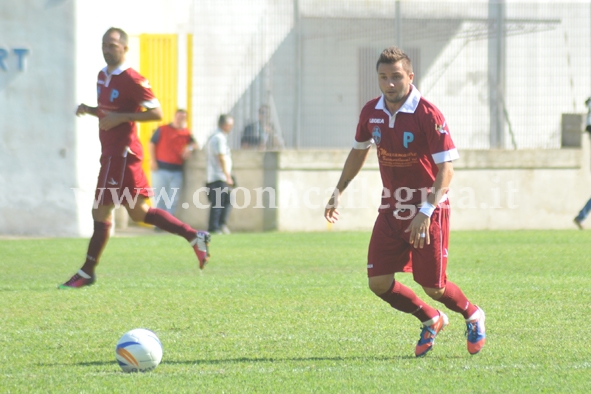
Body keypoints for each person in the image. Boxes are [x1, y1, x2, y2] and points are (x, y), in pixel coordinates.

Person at [324, 46, 486, 357]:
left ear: (410, 77)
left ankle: (473, 314)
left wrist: (426, 210)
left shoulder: (428, 113)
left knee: (434, 287)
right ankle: (430, 318)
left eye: (396, 77)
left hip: (427, 209)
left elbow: (446, 169)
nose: (389, 84)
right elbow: (359, 151)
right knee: (379, 282)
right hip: (391, 208)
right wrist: (338, 190)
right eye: (383, 77)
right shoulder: (371, 112)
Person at [59, 27, 211, 289]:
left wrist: (123, 117)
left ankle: (87, 271)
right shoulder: (102, 76)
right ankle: (195, 236)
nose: (107, 49)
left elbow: (157, 114)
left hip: (121, 155)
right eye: (105, 44)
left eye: (113, 45)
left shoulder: (133, 79)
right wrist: (91, 110)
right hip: (114, 154)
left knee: (101, 211)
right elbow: (110, 111)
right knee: (139, 212)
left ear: (125, 48)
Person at [149, 109, 197, 217]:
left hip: (177, 171)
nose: (180, 120)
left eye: (182, 118)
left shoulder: (187, 133)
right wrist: (153, 160)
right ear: (174, 117)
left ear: (186, 119)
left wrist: (189, 148)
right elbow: (152, 144)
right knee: (159, 198)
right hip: (160, 169)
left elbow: (195, 144)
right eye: (178, 117)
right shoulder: (162, 129)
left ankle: (169, 224)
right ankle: (159, 222)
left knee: (173, 199)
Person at [206, 114, 234, 235]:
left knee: (226, 201)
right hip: (218, 176)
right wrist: (227, 176)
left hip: (218, 176)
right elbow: (221, 157)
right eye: (230, 125)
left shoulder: (217, 136)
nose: (231, 128)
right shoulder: (218, 138)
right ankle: (215, 227)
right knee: (218, 203)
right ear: (225, 125)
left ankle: (221, 225)